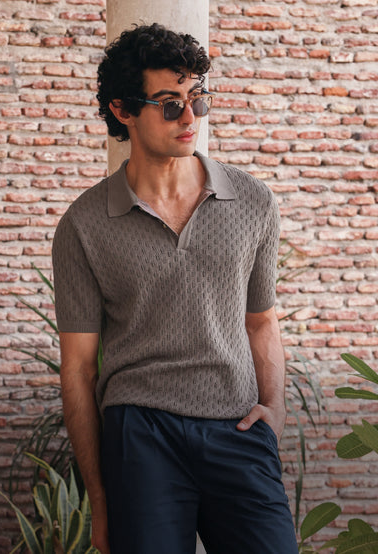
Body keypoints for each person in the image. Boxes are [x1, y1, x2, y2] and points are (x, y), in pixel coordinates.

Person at [52, 23, 298, 554]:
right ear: (122, 110)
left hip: (237, 428)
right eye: (169, 105)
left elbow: (261, 321)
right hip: (140, 436)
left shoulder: (253, 202)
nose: (190, 118)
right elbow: (79, 369)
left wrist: (274, 409)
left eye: (197, 99)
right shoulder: (83, 225)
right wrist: (100, 499)